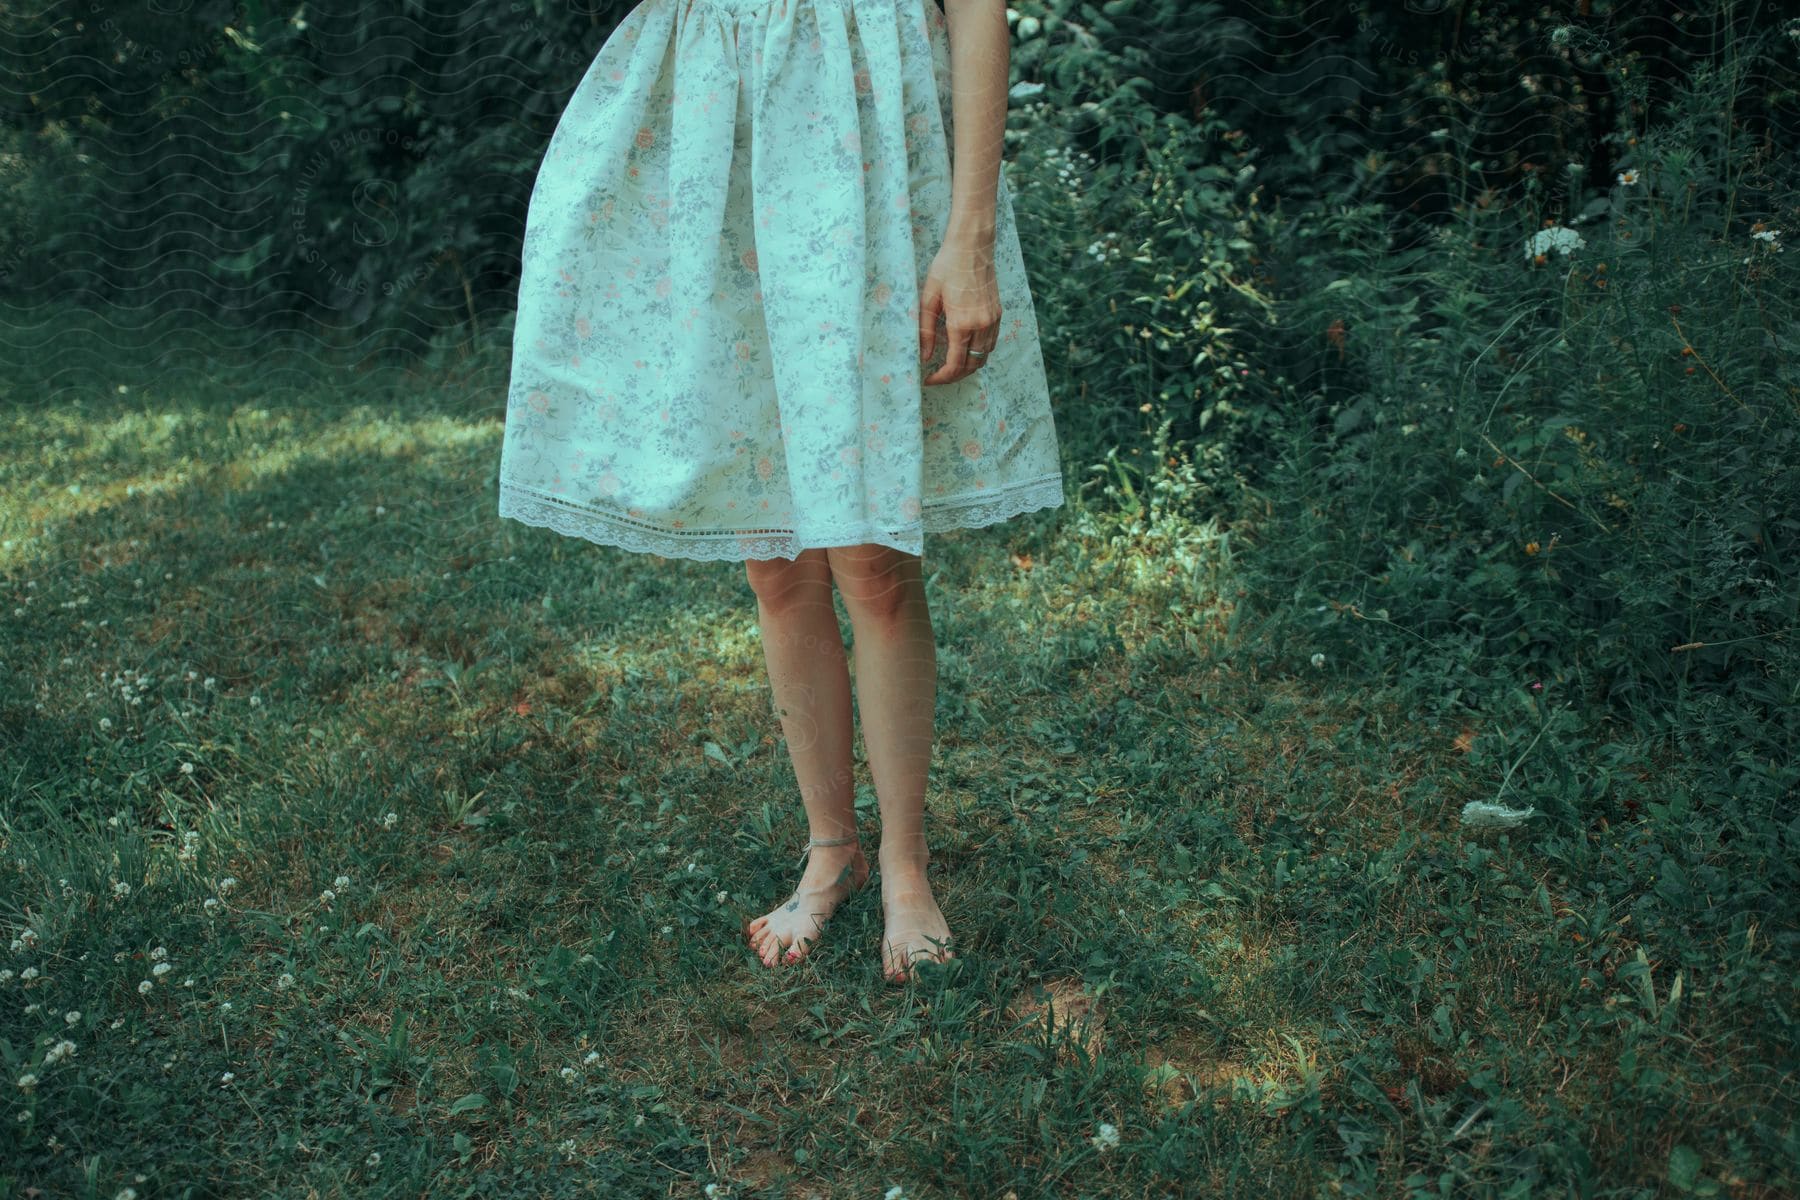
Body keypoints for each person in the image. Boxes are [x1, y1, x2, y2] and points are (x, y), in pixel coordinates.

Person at [497, 0, 1065, 982]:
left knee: (873, 560)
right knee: (774, 554)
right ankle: (832, 849)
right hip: (717, 150)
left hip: (866, 144)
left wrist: (967, 235)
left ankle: (906, 865)